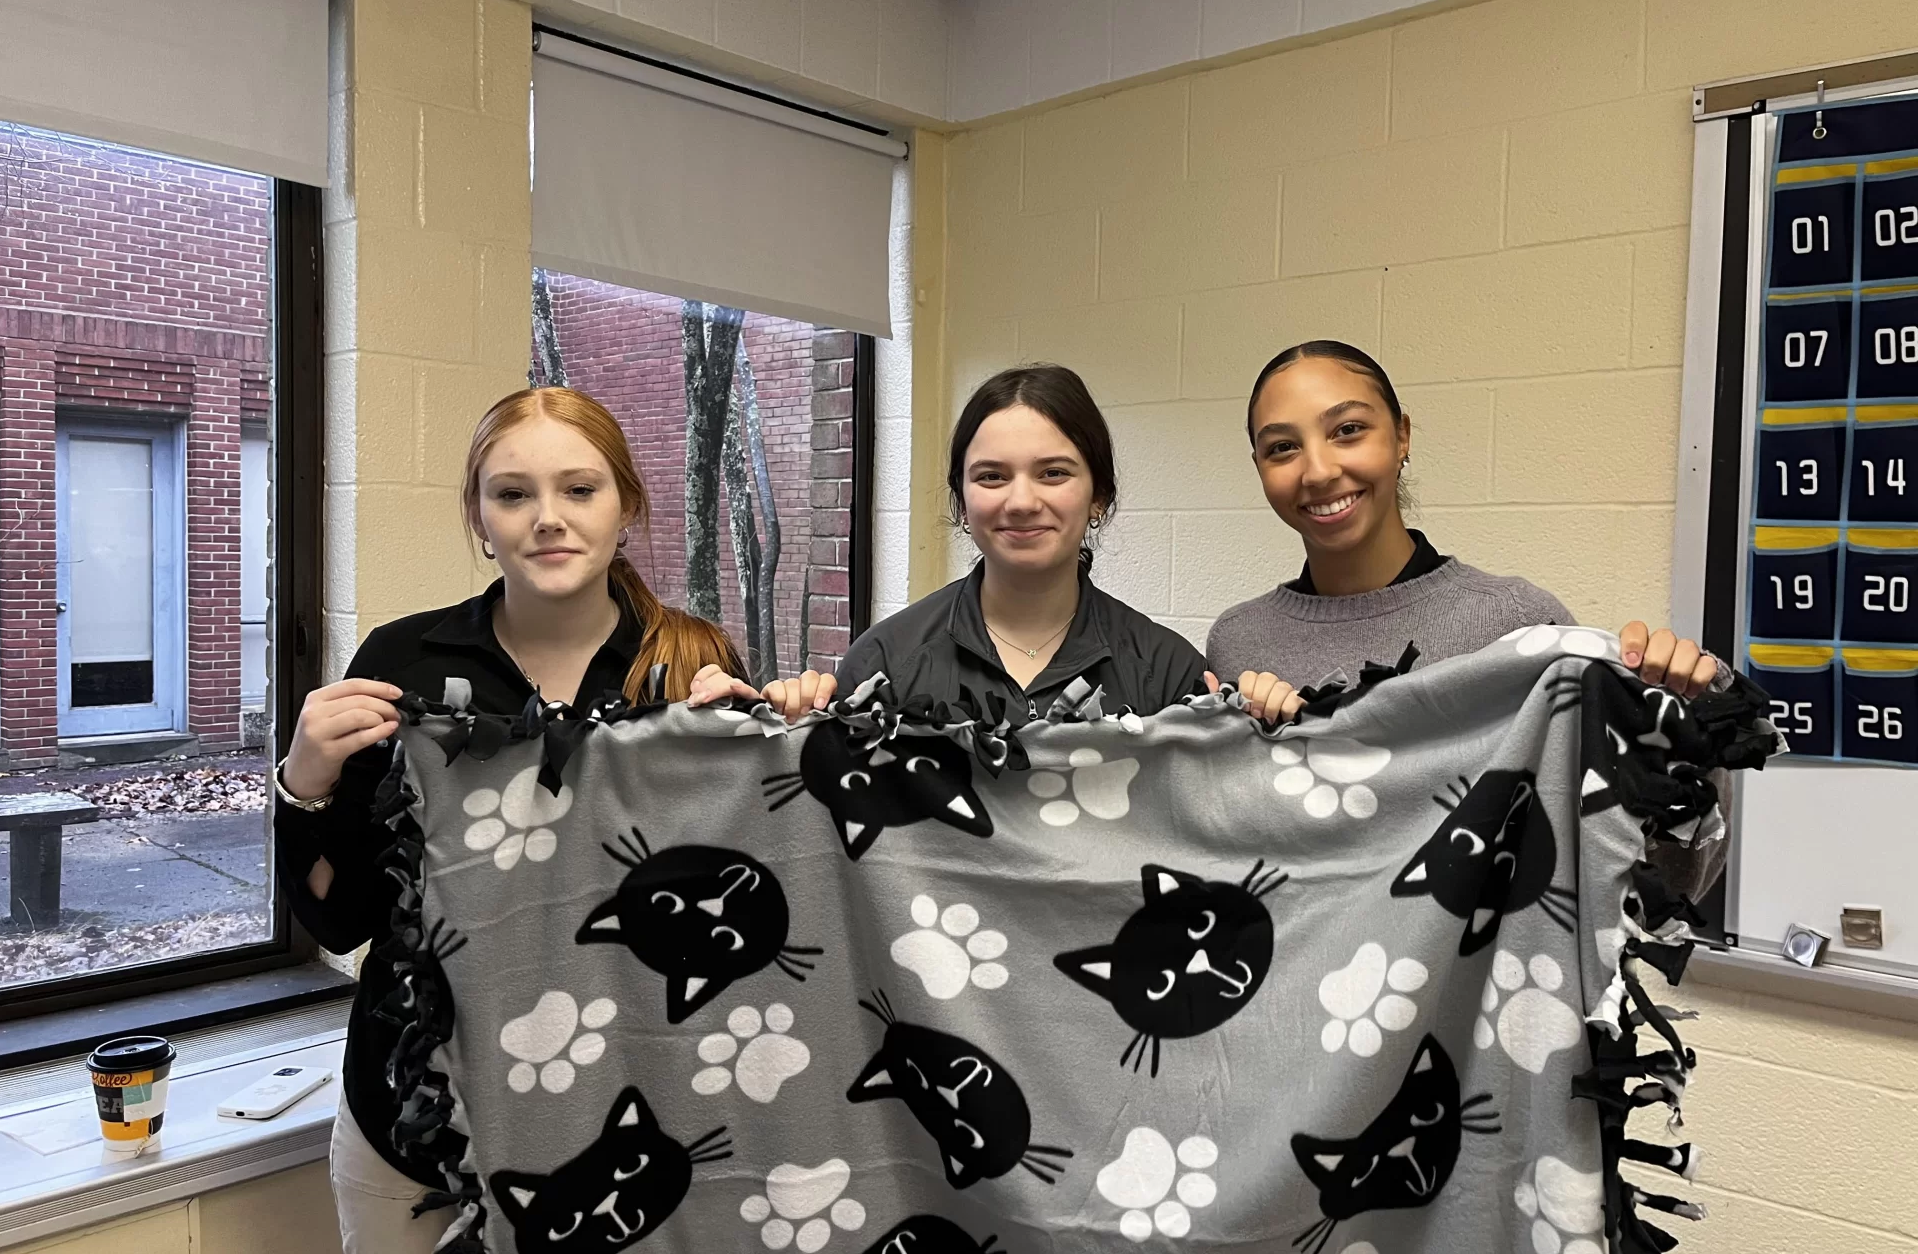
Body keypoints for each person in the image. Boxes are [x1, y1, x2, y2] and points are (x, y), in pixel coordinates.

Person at [274, 387, 742, 1254]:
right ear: (479, 518)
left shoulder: (693, 666)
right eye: (513, 494)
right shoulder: (401, 663)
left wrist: (776, 741)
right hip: (414, 1123)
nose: (547, 519)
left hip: (625, 1112)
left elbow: (727, 899)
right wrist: (305, 780)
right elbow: (341, 922)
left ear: (627, 506)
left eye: (580, 489)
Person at [1206, 340, 1728, 893]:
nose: (1318, 470)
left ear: (1402, 435)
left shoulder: (1519, 625)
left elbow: (1659, 885)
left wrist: (1690, 729)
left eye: (1348, 430)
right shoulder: (1239, 642)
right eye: (1283, 447)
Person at [692, 364, 1208, 722]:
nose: (1022, 501)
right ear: (962, 503)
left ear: (1099, 495)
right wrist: (775, 725)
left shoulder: (1168, 674)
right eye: (991, 477)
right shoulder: (883, 665)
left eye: (1053, 473)